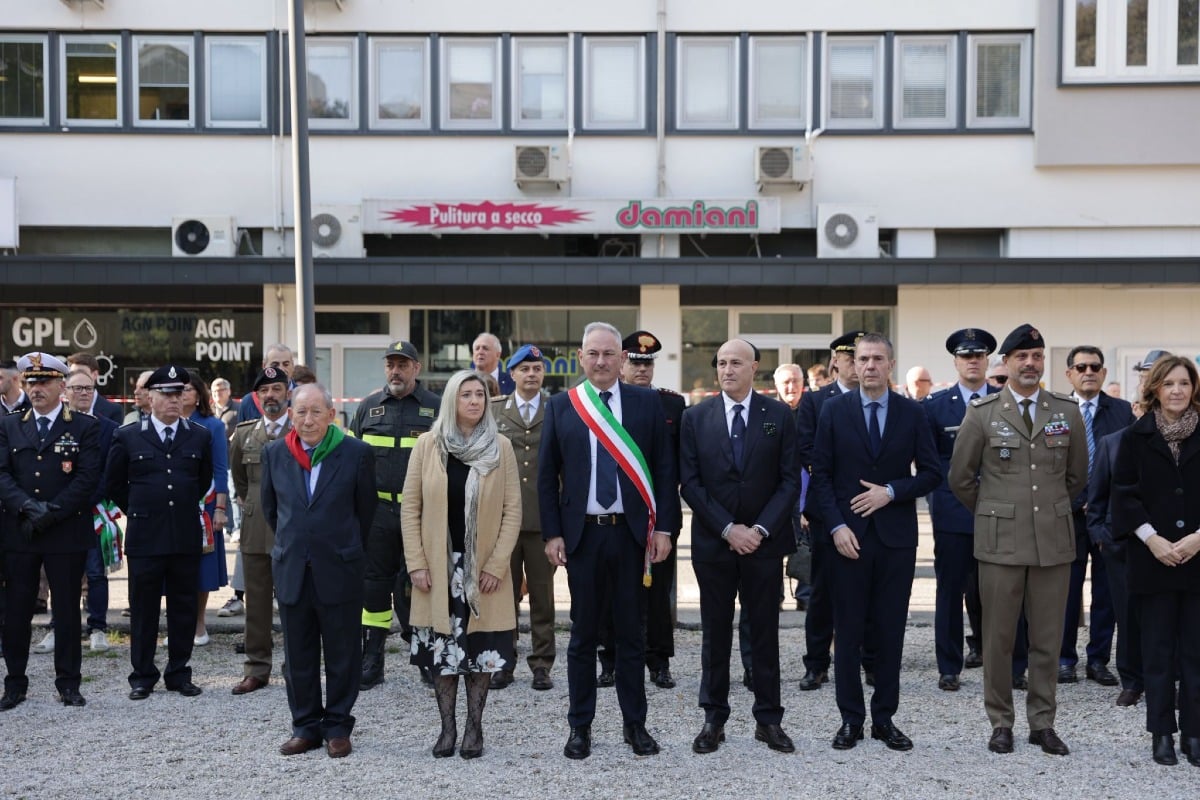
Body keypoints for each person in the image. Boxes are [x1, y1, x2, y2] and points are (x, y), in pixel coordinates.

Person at [538, 322, 677, 760]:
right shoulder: (563, 406)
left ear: (622, 359)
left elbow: (665, 470)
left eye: (609, 354)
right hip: (582, 538)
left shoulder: (645, 404)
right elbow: (545, 477)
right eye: (593, 354)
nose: (601, 361)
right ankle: (580, 727)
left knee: (632, 636)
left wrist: (664, 529)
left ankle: (635, 725)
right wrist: (553, 532)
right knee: (582, 637)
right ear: (581, 357)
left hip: (632, 536)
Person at [949, 324, 1088, 756]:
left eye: (1037, 356)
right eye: (1021, 357)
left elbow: (1077, 477)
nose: (1030, 364)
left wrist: (1045, 509)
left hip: (1052, 540)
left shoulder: (1065, 410)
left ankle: (1042, 723)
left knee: (1047, 638)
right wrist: (994, 510)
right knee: (999, 638)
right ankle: (1001, 722)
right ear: (1004, 363)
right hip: (1000, 542)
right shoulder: (983, 412)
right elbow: (960, 478)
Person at [811, 333, 940, 752]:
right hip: (847, 539)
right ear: (851, 364)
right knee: (847, 633)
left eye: (877, 359)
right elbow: (822, 478)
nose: (869, 365)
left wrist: (891, 491)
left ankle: (885, 718)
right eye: (863, 358)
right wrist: (835, 527)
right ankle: (851, 719)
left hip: (895, 540)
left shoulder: (911, 413)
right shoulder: (833, 411)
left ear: (890, 364)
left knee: (889, 633)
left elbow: (932, 472)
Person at [682, 339, 800, 754]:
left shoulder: (778, 416)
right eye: (722, 363)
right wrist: (729, 528)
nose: (727, 369)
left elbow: (789, 479)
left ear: (755, 368)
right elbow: (691, 484)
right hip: (715, 545)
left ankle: (768, 719)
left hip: (764, 547)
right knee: (715, 633)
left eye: (736, 363)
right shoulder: (696, 417)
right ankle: (714, 718)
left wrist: (761, 530)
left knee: (764, 632)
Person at [402, 370, 521, 759]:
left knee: (481, 650)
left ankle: (474, 728)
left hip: (483, 571)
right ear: (452, 400)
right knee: (443, 653)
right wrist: (416, 562)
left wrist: (497, 565)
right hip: (438, 569)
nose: (474, 401)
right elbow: (411, 508)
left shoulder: (500, 446)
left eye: (480, 395)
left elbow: (512, 512)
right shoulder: (428, 445)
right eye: (466, 394)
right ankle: (447, 729)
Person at [262, 383, 376, 759]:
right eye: (300, 411)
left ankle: (338, 725)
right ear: (290, 414)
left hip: (339, 569)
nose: (307, 420)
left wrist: (340, 547)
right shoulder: (275, 453)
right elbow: (271, 511)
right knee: (298, 655)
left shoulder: (356, 453)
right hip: (293, 568)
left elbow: (366, 512)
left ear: (331, 414)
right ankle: (305, 726)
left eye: (315, 412)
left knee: (343, 653)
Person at [1112, 354, 1200, 767]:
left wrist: (1198, 538)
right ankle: (1162, 733)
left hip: (1198, 558)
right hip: (1153, 560)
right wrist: (1153, 540)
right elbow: (1124, 497)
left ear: (1193, 388)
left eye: (1184, 383)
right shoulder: (1135, 436)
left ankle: (1195, 733)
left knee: (1196, 653)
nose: (1177, 391)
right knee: (1159, 651)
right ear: (1155, 390)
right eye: (1169, 384)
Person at [0, 353, 101, 710]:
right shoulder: (10, 425)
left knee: (68, 610)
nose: (37, 389)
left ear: (62, 386)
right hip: (21, 531)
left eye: (44, 382)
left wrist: (52, 512)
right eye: (31, 382)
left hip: (65, 530)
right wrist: (28, 508)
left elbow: (88, 478)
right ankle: (15, 683)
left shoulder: (85, 427)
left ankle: (68, 683)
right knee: (16, 609)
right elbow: (2, 475)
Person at [106, 365, 213, 700]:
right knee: (143, 608)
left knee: (183, 606)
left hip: (182, 534)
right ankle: (142, 675)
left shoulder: (199, 435)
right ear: (148, 398)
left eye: (178, 393)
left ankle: (179, 673)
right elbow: (113, 483)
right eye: (165, 394)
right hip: (145, 534)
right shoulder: (128, 436)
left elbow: (203, 480)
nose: (172, 400)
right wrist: (140, 509)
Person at [597, 331, 686, 690]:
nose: (642, 369)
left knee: (658, 589)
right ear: (621, 363)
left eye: (648, 363)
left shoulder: (672, 405)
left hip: (657, 511)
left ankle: (659, 660)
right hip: (614, 509)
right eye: (635, 362)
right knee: (609, 590)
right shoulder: (601, 403)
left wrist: (665, 518)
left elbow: (675, 466)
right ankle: (610, 660)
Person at [350, 339, 440, 689]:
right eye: (390, 364)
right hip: (378, 513)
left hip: (421, 514)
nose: (395, 371)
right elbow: (353, 461)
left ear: (416, 368)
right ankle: (372, 658)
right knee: (373, 587)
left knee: (418, 586)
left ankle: (424, 656)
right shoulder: (369, 407)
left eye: (403, 364)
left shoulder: (435, 408)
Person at [1087, 349, 1168, 709]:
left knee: (1172, 619)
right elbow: (1098, 499)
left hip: (1174, 547)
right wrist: (1103, 539)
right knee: (1128, 616)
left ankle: (1170, 681)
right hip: (1124, 549)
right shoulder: (1115, 442)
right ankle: (1132, 681)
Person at [923, 328, 999, 691]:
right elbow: (930, 461)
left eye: (979, 356)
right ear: (955, 361)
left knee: (1001, 590)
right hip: (953, 512)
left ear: (987, 361)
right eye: (966, 356)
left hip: (1002, 510)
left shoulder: (1007, 400)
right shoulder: (936, 406)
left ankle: (1001, 660)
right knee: (951, 591)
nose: (972, 361)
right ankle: (949, 665)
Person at [796, 331, 870, 692]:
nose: (857, 364)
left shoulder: (881, 399)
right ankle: (817, 663)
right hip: (828, 509)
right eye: (850, 357)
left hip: (871, 509)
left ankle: (868, 661)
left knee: (868, 591)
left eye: (864, 357)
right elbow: (807, 450)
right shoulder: (815, 401)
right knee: (822, 591)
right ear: (836, 361)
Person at [1058, 346, 1133, 687]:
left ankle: (1099, 660)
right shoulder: (1055, 412)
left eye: (1095, 367)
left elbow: (1131, 465)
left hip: (1109, 519)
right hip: (1067, 517)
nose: (1088, 371)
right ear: (1069, 374)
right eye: (1081, 366)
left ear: (1103, 373)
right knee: (1066, 593)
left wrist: (1102, 503)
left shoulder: (1122, 412)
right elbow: (1048, 466)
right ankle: (1064, 659)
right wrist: (1079, 500)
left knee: (1106, 592)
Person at [490, 345, 557, 691]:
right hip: (504, 520)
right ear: (512, 374)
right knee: (505, 595)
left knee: (543, 597)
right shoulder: (495, 410)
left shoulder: (556, 409)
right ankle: (504, 660)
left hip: (544, 520)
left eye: (537, 369)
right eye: (524, 369)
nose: (531, 374)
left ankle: (542, 663)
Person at [227, 367, 291, 695]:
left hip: (294, 528)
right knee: (258, 602)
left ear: (288, 393)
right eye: (264, 391)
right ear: (256, 397)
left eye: (277, 389)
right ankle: (256, 667)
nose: (271, 396)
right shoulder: (244, 434)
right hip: (255, 527)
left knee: (295, 600)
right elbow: (240, 478)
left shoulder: (302, 429)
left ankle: (295, 665)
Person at [64, 369, 119, 653]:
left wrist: (84, 501)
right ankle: (58, 627)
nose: (83, 393)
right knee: (61, 573)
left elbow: (109, 472)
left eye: (88, 388)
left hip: (94, 510)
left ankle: (97, 627)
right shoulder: (56, 425)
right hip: (61, 512)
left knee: (96, 572)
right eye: (77, 388)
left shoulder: (108, 427)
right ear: (65, 392)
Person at [181, 373, 230, 647]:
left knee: (201, 567)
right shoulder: (169, 422)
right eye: (180, 390)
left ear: (199, 394)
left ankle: (199, 624)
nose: (184, 394)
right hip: (174, 506)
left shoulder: (212, 425)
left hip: (206, 505)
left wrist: (220, 508)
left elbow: (221, 468)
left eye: (189, 389)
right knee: (175, 565)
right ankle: (180, 623)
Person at [774, 363, 811, 611]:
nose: (791, 386)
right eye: (786, 381)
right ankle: (773, 597)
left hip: (805, 493)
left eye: (795, 381)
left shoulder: (812, 413)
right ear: (776, 385)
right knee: (772, 547)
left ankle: (805, 596)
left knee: (806, 546)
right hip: (774, 493)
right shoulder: (768, 413)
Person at [237, 344, 295, 422]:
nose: (281, 369)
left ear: (293, 365)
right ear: (264, 366)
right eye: (275, 365)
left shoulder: (304, 397)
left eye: (286, 364)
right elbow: (242, 432)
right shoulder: (249, 401)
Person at [65, 353, 124, 425]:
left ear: (95, 375)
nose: (77, 376)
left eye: (81, 372)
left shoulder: (113, 410)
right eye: (72, 373)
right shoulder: (62, 410)